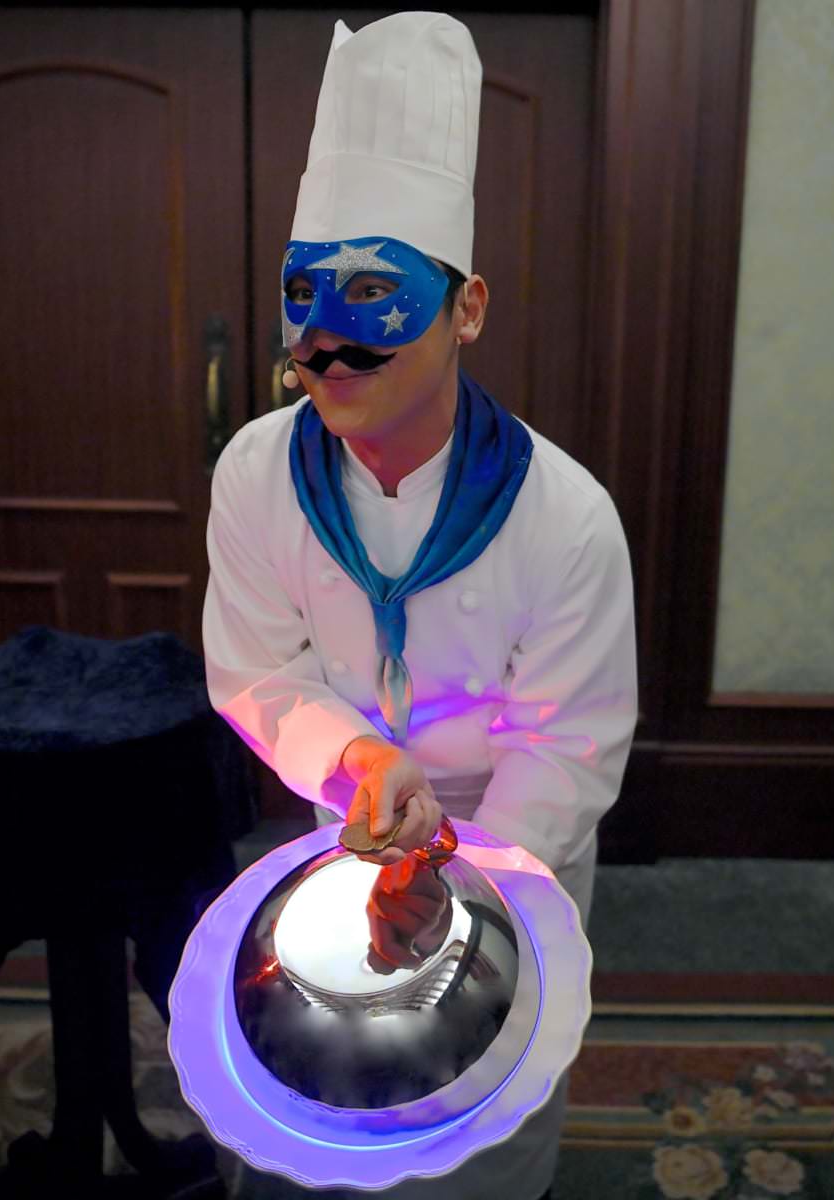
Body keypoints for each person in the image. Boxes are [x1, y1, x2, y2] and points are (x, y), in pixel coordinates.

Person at [202, 12, 637, 1198]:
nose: (326, 337)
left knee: (479, 1125)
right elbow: (258, 672)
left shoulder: (564, 516)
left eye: (373, 292)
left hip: (518, 850)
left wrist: (454, 863)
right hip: (349, 829)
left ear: (467, 307)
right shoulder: (256, 474)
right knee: (315, 1104)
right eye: (304, 292)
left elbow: (567, 745)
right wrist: (358, 761)